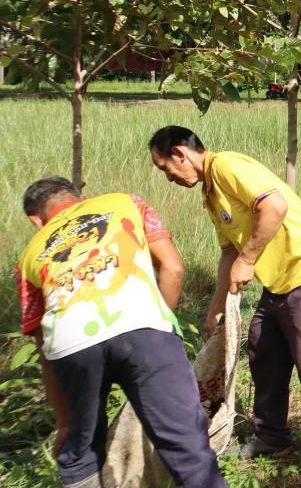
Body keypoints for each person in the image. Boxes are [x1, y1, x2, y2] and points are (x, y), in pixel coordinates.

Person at [148, 126, 301, 488]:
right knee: (263, 350)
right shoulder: (211, 194)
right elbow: (229, 252)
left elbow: (273, 206)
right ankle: (272, 433)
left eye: (166, 168)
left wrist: (248, 260)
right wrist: (216, 306)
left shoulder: (226, 166)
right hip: (278, 279)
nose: (168, 178)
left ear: (181, 153)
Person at [16, 177, 226, 488]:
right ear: (80, 197)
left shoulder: (28, 255)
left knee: (80, 453)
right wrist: (160, 327)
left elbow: (43, 345)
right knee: (186, 446)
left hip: (71, 342)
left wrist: (65, 424)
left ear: (36, 220)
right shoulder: (127, 201)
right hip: (143, 326)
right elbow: (173, 267)